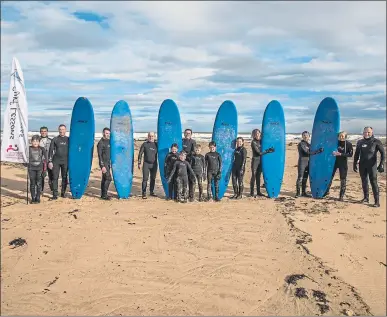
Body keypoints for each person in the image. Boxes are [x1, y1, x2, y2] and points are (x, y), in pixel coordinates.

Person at [353, 126, 385, 207]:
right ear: (363, 132)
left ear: (372, 132)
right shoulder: (360, 142)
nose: (366, 133)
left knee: (373, 182)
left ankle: (377, 202)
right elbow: (356, 154)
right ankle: (366, 198)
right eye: (365, 132)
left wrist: (381, 164)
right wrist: (354, 163)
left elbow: (383, 154)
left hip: (372, 165)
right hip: (362, 165)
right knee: (364, 181)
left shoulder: (376, 141)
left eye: (368, 132)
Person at [324, 131, 353, 201]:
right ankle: (326, 192)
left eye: (342, 136)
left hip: (343, 164)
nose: (341, 137)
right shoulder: (335, 143)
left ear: (345, 136)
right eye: (340, 136)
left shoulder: (348, 144)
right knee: (330, 177)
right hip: (334, 163)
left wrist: (340, 154)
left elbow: (350, 154)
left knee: (343, 179)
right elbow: (328, 149)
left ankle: (341, 196)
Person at [295, 131, 323, 198]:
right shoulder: (301, 144)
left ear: (309, 136)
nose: (305, 136)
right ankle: (298, 193)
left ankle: (303, 192)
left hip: (308, 163)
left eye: (307, 135)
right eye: (304, 135)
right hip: (302, 163)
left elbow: (312, 151)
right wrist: (318, 151)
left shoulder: (309, 145)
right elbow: (307, 152)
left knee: (305, 178)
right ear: (302, 136)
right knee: (300, 178)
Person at [250, 129, 274, 197]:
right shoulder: (253, 142)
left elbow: (268, 138)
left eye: (258, 133)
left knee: (258, 176)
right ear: (253, 135)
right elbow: (259, 153)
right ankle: (251, 193)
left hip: (261, 161)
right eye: (255, 134)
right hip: (255, 160)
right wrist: (268, 151)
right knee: (254, 176)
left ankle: (258, 192)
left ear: (260, 134)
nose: (257, 134)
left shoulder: (261, 141)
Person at [48, 124, 69, 199]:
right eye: (60, 129)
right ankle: (55, 194)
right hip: (56, 161)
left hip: (65, 161)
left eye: (63, 129)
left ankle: (63, 193)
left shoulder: (69, 139)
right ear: (58, 130)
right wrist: (50, 161)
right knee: (55, 177)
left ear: (65, 130)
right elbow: (50, 151)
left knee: (64, 177)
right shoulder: (55, 139)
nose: (61, 131)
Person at [138, 132, 158, 199]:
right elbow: (140, 153)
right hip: (146, 164)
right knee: (145, 179)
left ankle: (151, 192)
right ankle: (143, 193)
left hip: (154, 164)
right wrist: (139, 162)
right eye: (150, 136)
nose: (151, 137)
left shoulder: (156, 144)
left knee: (153, 178)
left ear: (154, 137)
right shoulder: (145, 144)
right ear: (148, 136)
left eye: (152, 136)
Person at [28, 135, 48, 204]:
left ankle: (38, 197)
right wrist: (25, 164)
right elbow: (24, 158)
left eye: (37, 141)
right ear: (31, 142)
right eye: (34, 141)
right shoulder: (28, 148)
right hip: (31, 168)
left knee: (39, 183)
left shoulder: (42, 149)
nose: (35, 142)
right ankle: (33, 198)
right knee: (32, 183)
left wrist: (45, 170)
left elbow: (45, 160)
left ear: (39, 142)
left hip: (40, 168)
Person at [97, 127, 112, 200]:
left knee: (104, 179)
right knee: (109, 178)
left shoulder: (109, 141)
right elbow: (99, 156)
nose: (108, 135)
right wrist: (102, 166)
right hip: (104, 163)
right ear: (103, 133)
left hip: (108, 163)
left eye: (109, 133)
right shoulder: (101, 143)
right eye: (106, 133)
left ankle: (102, 195)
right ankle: (105, 195)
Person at [182, 128, 197, 201]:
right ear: (184, 133)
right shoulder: (181, 141)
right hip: (182, 162)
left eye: (189, 133)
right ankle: (184, 194)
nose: (187, 134)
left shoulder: (193, 142)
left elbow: (194, 152)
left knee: (191, 179)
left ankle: (191, 196)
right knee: (184, 178)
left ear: (191, 134)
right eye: (186, 133)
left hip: (190, 162)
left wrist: (187, 154)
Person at [39, 126, 53, 193]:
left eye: (45, 131)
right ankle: (41, 190)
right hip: (41, 161)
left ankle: (52, 189)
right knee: (41, 176)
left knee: (51, 176)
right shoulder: (37, 140)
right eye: (42, 131)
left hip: (49, 161)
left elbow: (54, 150)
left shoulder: (51, 140)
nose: (43, 132)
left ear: (47, 132)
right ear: (40, 132)